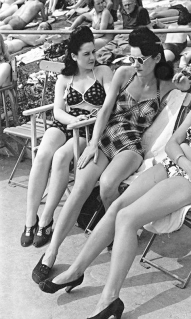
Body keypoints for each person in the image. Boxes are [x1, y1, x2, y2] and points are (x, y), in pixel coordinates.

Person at [37, 47, 191, 319]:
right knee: (115, 208)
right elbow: (173, 143)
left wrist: (182, 152)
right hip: (178, 167)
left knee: (127, 218)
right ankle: (75, 271)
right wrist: (183, 157)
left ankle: (109, 299)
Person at [32, 26, 191, 285]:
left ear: (156, 58)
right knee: (80, 188)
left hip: (130, 144)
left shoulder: (166, 83)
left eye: (141, 59)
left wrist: (187, 86)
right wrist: (93, 143)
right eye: (132, 58)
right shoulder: (123, 74)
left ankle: (115, 232)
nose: (136, 64)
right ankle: (50, 254)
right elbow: (105, 110)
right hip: (105, 135)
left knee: (107, 186)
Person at [20, 26, 113, 248]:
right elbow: (57, 110)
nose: (92, 57)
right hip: (66, 123)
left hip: (88, 129)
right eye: (86, 54)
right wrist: (71, 121)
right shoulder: (65, 76)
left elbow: (109, 103)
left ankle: (46, 218)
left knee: (61, 157)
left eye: (93, 52)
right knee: (43, 154)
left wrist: (81, 123)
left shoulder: (103, 72)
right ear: (74, 56)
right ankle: (30, 219)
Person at [96, 0, 151, 65]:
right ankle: (95, 61)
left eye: (129, 4)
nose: (127, 7)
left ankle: (101, 63)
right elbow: (125, 25)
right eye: (125, 5)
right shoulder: (123, 10)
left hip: (133, 38)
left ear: (135, 3)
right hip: (121, 36)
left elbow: (149, 28)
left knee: (114, 53)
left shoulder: (141, 11)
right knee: (101, 51)